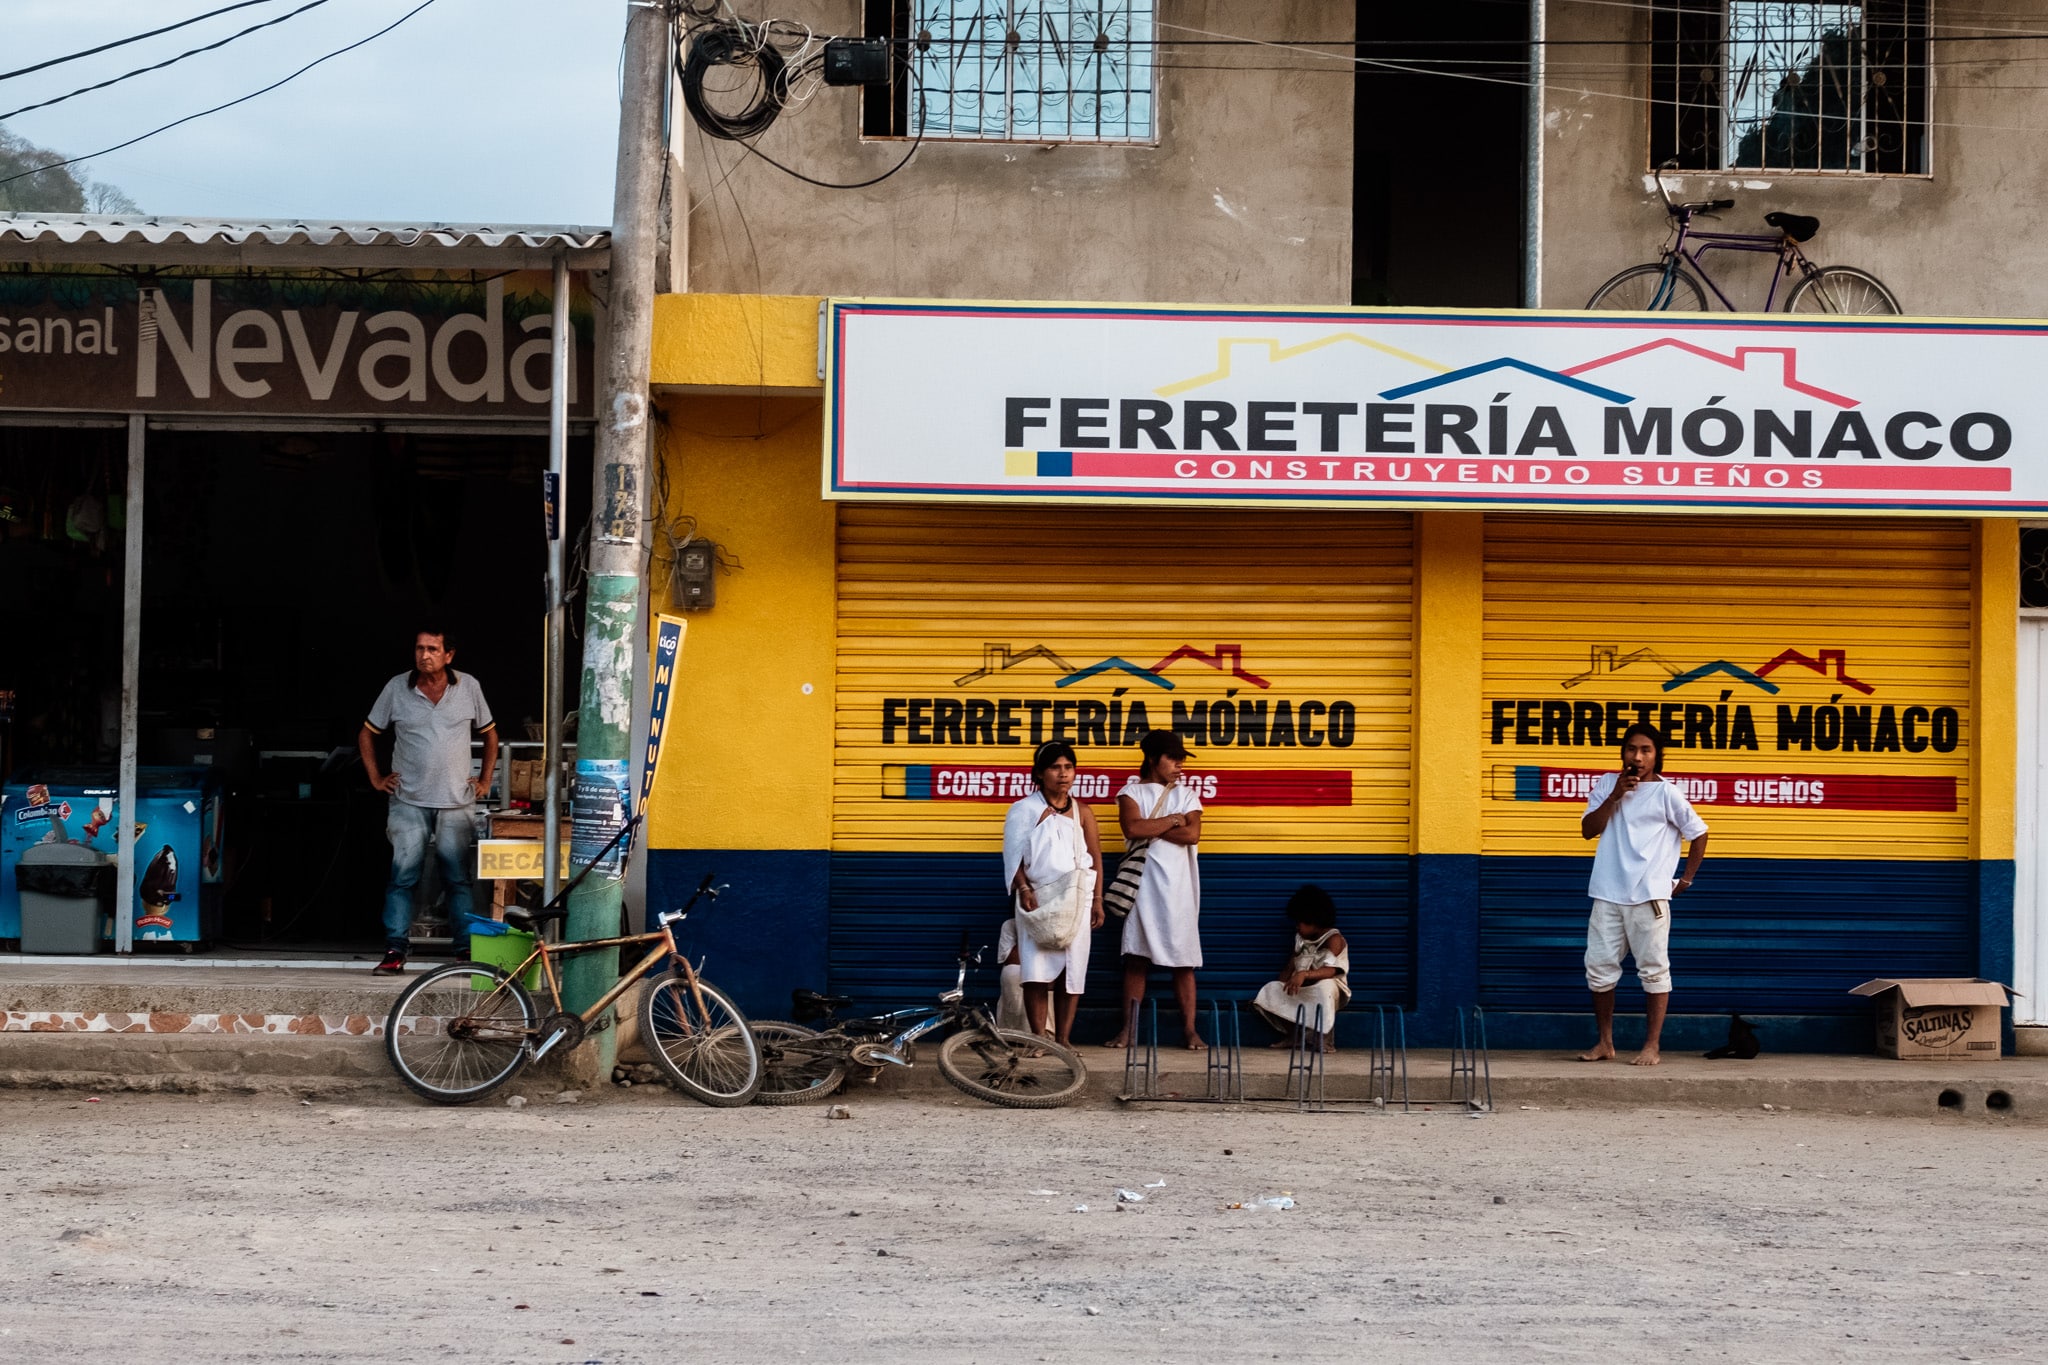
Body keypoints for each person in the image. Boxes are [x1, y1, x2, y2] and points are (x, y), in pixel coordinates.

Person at [358, 626, 497, 974]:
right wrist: (376, 778)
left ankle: (464, 951)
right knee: (403, 876)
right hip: (408, 800)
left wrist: (485, 780)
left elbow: (491, 735)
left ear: (448, 655)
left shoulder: (468, 687)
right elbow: (367, 733)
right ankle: (395, 950)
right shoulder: (397, 687)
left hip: (456, 801)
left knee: (456, 877)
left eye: (433, 649)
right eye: (420, 648)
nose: (424, 655)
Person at [1578, 722, 1708, 1066]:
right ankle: (1605, 1042)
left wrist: (1686, 880)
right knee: (1599, 970)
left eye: (1645, 750)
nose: (1637, 757)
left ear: (1656, 756)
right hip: (1607, 893)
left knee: (1653, 971)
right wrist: (1615, 795)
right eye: (1631, 749)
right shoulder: (1608, 784)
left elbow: (1699, 833)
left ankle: (1652, 1046)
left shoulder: (1667, 793)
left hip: (1649, 897)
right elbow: (1588, 830)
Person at [1105, 730, 1205, 1051]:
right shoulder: (1130, 792)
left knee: (1184, 962)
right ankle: (1129, 1032)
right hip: (1142, 887)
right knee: (1136, 959)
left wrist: (1158, 824)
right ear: (1152, 759)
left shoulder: (1187, 794)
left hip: (1180, 889)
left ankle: (1190, 1031)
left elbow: (1192, 835)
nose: (1179, 765)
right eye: (1172, 758)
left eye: (1181, 759)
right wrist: (1173, 820)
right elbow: (1133, 827)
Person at [1001, 740, 1105, 1046]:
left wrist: (1097, 900)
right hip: (1037, 897)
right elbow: (1013, 856)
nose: (1063, 774)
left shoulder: (1082, 812)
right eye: (1055, 767)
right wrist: (1023, 887)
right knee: (1036, 971)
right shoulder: (1024, 809)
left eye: (1069, 767)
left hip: (1077, 900)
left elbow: (1095, 858)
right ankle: (1039, 1040)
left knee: (1072, 972)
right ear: (1040, 773)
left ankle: (1063, 1040)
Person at [1252, 884, 1350, 1052]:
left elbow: (1331, 971)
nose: (1297, 926)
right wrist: (1281, 988)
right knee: (1271, 989)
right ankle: (1295, 1037)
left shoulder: (1333, 939)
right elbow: (1290, 966)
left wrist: (1304, 974)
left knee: (1324, 987)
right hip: (1302, 989)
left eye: (1301, 922)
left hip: (1327, 991)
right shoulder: (1300, 939)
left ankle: (1324, 1040)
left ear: (1315, 920)